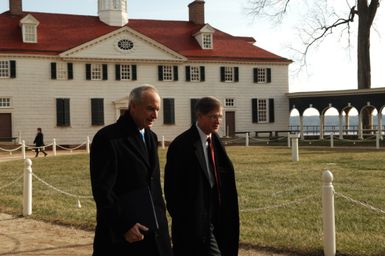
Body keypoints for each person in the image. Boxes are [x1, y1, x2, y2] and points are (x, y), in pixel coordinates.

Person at [90, 85, 172, 256]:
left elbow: (153, 184)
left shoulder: (151, 137)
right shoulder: (108, 138)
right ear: (133, 106)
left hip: (154, 233)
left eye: (157, 110)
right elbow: (103, 191)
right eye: (150, 109)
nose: (155, 115)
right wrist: (124, 226)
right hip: (123, 236)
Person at [164, 96, 239, 256]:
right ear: (199, 116)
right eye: (212, 116)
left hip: (218, 213)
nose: (217, 121)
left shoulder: (216, 141)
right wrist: (185, 218)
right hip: (194, 217)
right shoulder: (182, 145)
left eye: (219, 116)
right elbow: (172, 189)